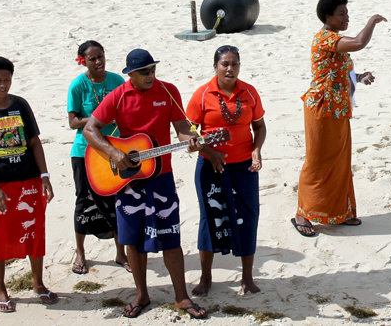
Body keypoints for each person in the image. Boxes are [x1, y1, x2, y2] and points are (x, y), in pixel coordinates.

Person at [84, 49, 207, 319]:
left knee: (171, 235)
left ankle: (181, 296)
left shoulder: (168, 91)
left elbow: (182, 128)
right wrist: (115, 153)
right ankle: (142, 295)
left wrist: (192, 141)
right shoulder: (118, 95)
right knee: (133, 238)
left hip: (162, 176)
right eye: (145, 72)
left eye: (153, 69)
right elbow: (89, 129)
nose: (151, 75)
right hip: (128, 181)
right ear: (131, 74)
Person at [0, 57, 57, 313]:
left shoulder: (20, 105)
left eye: (7, 79)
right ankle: (1, 288)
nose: (3, 85)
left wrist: (45, 176)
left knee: (35, 231)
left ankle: (38, 284)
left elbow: (35, 143)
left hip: (28, 180)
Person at [293, 0, 386, 237]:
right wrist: (372, 22)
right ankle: (302, 213)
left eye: (347, 13)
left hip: (339, 109)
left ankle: (338, 213)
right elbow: (358, 43)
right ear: (328, 17)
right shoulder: (324, 38)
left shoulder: (335, 41)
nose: (346, 17)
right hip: (321, 110)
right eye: (341, 13)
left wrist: (359, 76)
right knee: (317, 161)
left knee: (339, 161)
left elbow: (336, 75)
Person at [187, 46, 267, 297]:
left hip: (244, 166)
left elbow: (260, 126)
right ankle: (206, 278)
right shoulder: (202, 95)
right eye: (225, 64)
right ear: (215, 66)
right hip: (210, 166)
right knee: (210, 219)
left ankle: (247, 278)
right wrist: (207, 151)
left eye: (235, 64)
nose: (230, 68)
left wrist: (256, 150)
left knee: (247, 216)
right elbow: (189, 132)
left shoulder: (249, 93)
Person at [67, 41, 128, 275]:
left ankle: (120, 252)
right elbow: (73, 122)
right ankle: (81, 252)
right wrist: (98, 119)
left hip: (114, 147)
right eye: (92, 59)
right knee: (84, 200)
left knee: (116, 199)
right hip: (85, 151)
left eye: (100, 56)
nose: (98, 62)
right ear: (83, 61)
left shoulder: (116, 81)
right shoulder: (78, 86)